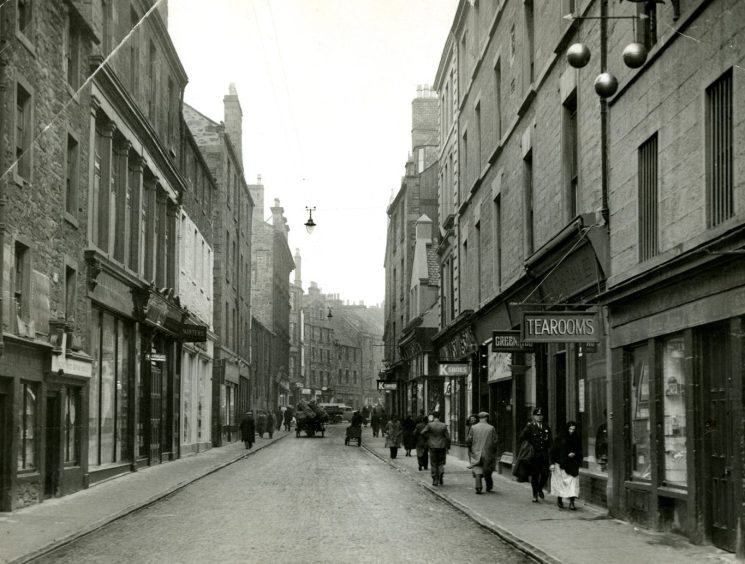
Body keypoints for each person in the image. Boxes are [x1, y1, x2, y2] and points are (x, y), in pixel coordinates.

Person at [518, 407, 553, 503]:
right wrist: (528, 444)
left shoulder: (546, 427)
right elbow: (521, 438)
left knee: (545, 474)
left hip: (544, 456)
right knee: (535, 475)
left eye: (541, 415)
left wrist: (550, 454)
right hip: (534, 456)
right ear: (533, 416)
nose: (539, 417)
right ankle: (535, 495)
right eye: (537, 415)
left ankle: (540, 488)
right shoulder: (530, 427)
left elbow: (550, 441)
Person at [551, 420, 582, 510]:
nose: (572, 431)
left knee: (573, 482)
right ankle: (559, 499)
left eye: (573, 429)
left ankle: (572, 502)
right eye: (570, 429)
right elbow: (554, 451)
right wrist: (552, 463)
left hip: (572, 464)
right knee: (561, 483)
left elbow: (579, 450)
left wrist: (574, 453)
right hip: (562, 463)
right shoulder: (560, 437)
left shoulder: (576, 438)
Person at [466, 412, 498, 494]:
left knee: (477, 469)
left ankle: (478, 487)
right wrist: (493, 450)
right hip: (488, 452)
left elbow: (469, 440)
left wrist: (471, 448)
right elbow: (495, 441)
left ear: (479, 418)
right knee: (488, 469)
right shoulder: (491, 428)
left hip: (476, 452)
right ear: (486, 418)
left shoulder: (473, 427)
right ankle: (489, 486)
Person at [421, 412, 450, 486]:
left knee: (433, 463)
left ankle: (435, 479)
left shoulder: (430, 425)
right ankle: (441, 472)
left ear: (433, 417)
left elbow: (422, 432)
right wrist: (447, 446)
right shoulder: (443, 425)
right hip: (441, 446)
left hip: (432, 446)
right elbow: (448, 437)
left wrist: (429, 437)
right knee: (440, 462)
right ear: (439, 416)